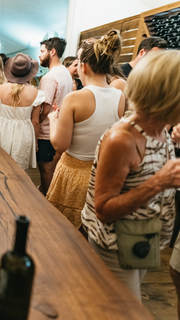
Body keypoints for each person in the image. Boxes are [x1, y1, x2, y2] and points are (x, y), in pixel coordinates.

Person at [81, 50, 180, 301]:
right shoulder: (122, 139)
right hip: (115, 245)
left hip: (145, 237)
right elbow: (103, 208)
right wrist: (159, 182)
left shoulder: (162, 129)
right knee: (121, 310)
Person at [47, 30, 126, 230]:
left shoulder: (75, 98)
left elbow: (60, 144)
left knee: (63, 232)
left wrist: (53, 120)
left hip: (74, 174)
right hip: (102, 174)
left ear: (83, 66)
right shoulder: (119, 96)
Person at [0, 53, 45, 170]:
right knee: (20, 171)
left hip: (3, 131)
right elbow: (35, 122)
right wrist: (36, 143)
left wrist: (3, 116)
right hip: (24, 134)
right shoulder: (36, 93)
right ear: (29, 73)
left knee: (1, 167)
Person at [37, 37, 73, 195]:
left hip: (46, 132)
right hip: (60, 127)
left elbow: (45, 109)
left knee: (45, 169)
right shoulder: (65, 72)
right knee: (52, 167)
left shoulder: (49, 77)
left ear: (52, 52)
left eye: (42, 51)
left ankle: (47, 200)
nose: (39, 55)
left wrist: (34, 125)